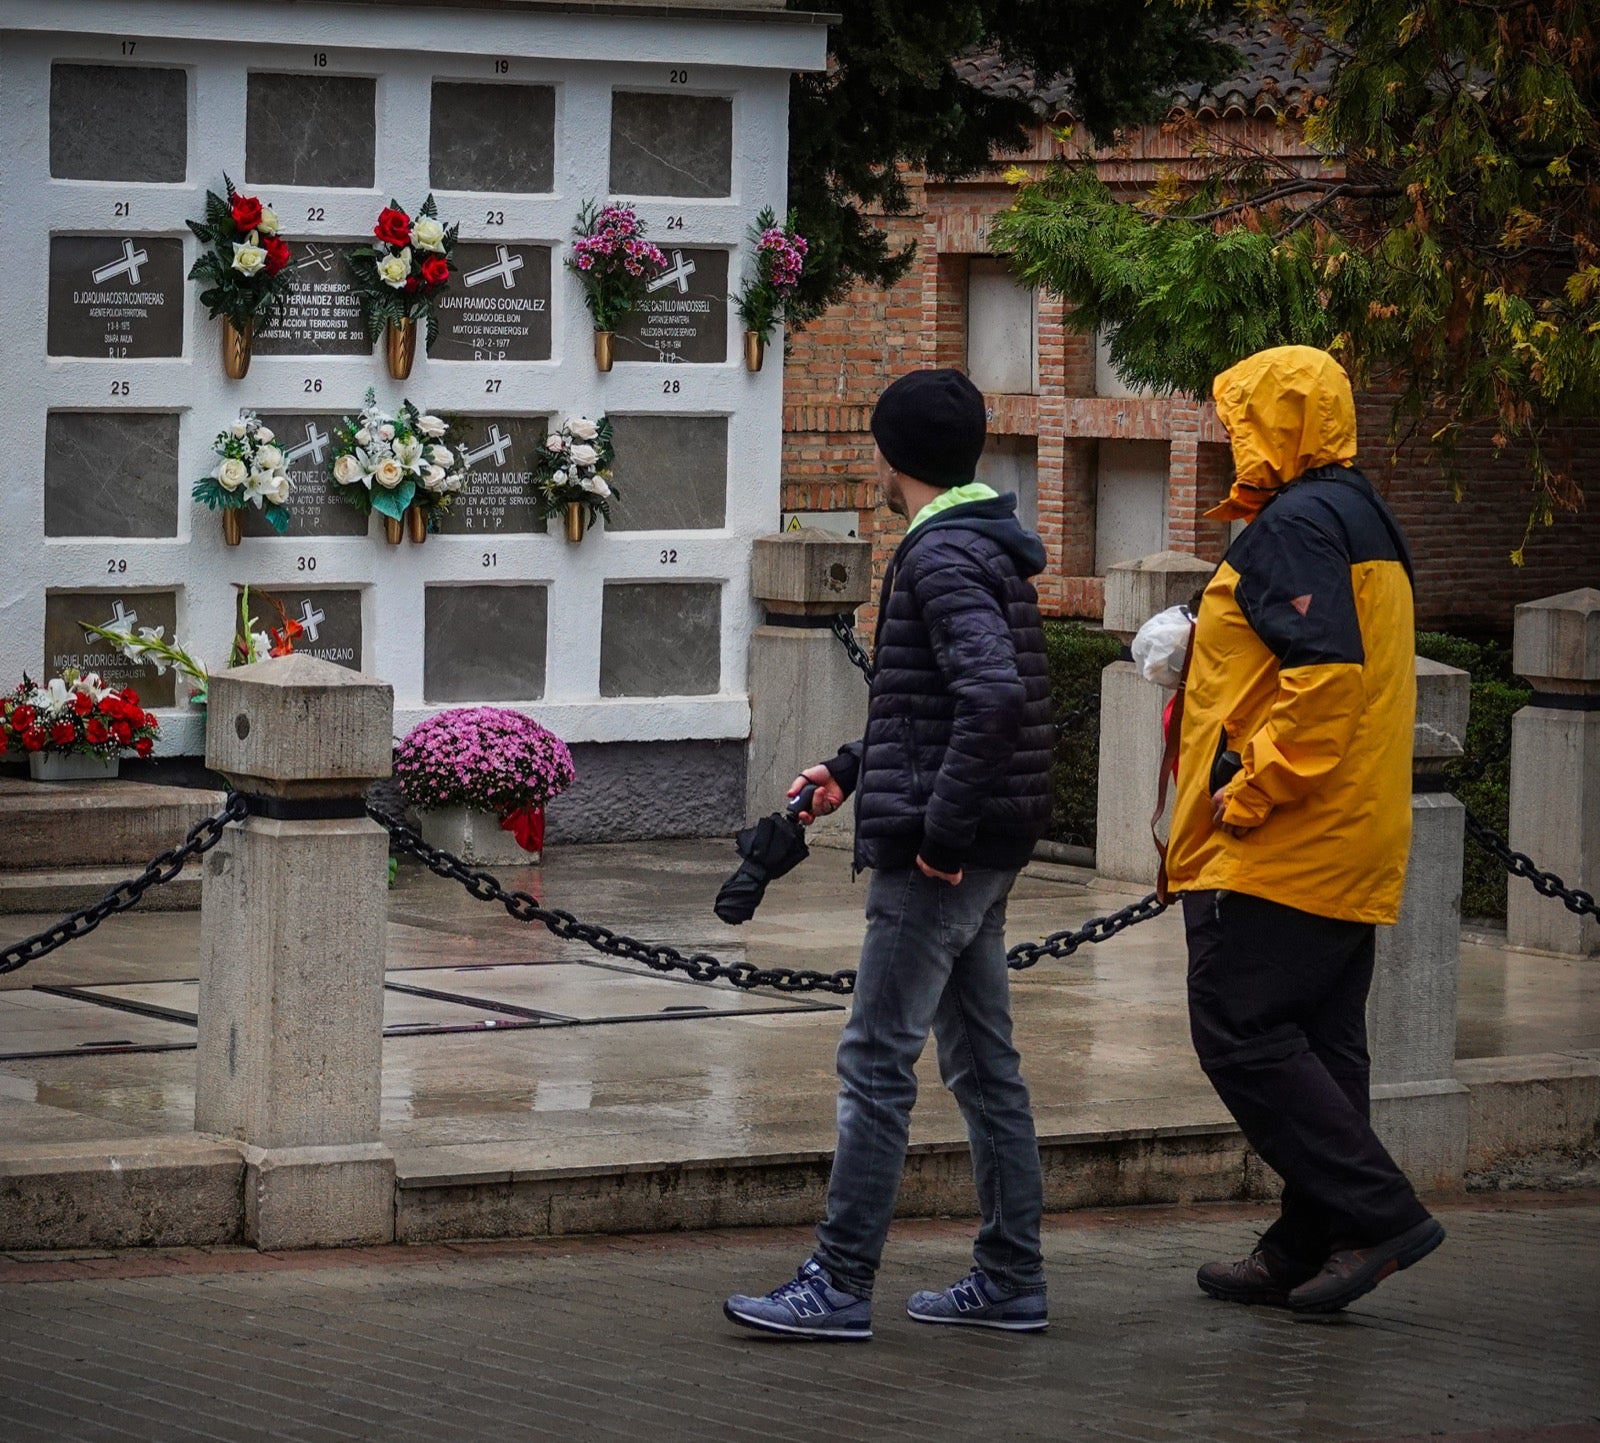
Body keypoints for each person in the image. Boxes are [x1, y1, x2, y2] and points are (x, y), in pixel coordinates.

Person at [723, 368, 1055, 1340]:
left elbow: (991, 699)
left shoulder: (941, 557)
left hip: (941, 856)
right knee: (984, 1065)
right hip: (986, 839)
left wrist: (941, 836)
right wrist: (847, 769)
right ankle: (1009, 1277)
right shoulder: (979, 542)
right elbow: (939, 706)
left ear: (891, 454)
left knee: (875, 1059)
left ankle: (837, 1282)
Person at [1165, 344, 1445, 1314]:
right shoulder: (1361, 514)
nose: (1228, 442)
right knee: (1324, 1049)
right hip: (1350, 831)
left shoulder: (1293, 524)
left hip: (1284, 839)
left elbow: (1323, 681)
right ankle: (1304, 1242)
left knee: (1237, 1028)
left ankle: (1377, 1216)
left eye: (1239, 423)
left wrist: (1243, 794)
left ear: (1277, 429)